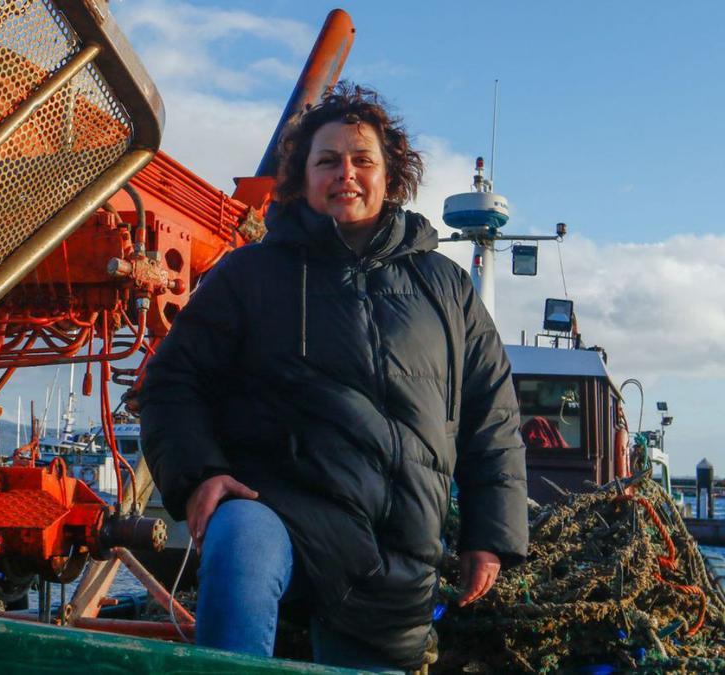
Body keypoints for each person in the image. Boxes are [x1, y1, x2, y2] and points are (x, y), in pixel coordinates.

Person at [138, 83, 528, 671]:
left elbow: (491, 419)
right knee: (240, 541)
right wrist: (200, 476)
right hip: (276, 507)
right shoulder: (249, 274)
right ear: (303, 176)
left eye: (362, 159)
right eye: (328, 161)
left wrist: (489, 535)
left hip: (397, 542)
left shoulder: (446, 288)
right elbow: (172, 384)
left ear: (389, 175)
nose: (346, 173)